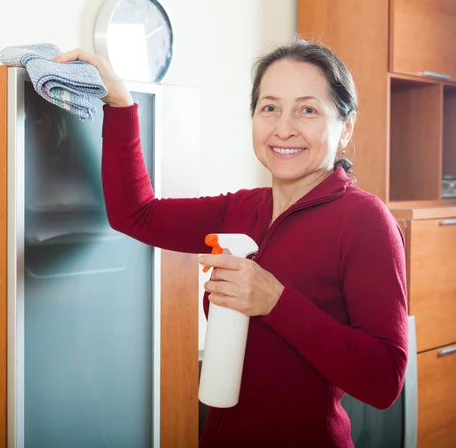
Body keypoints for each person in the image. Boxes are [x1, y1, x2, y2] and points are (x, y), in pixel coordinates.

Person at [53, 39, 409, 448]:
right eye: (269, 108)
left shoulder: (365, 220)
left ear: (345, 127)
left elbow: (384, 381)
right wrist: (119, 103)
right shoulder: (241, 208)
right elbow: (136, 214)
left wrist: (276, 301)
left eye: (307, 110)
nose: (283, 128)